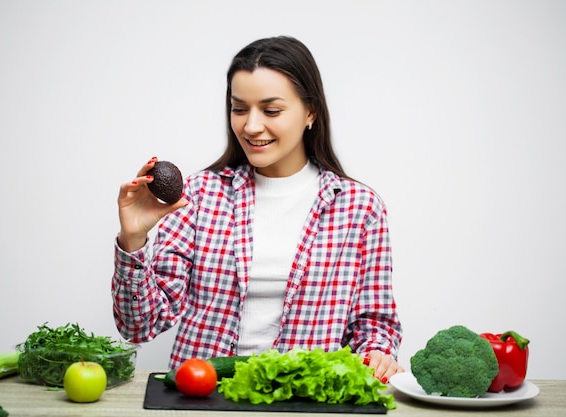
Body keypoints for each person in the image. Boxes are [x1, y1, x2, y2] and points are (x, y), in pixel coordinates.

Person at [112, 36, 403, 382]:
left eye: (271, 110)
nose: (250, 126)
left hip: (305, 402)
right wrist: (133, 240)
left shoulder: (359, 208)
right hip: (204, 398)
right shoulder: (199, 195)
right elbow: (139, 326)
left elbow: (374, 325)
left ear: (310, 111)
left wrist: (377, 353)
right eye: (239, 108)